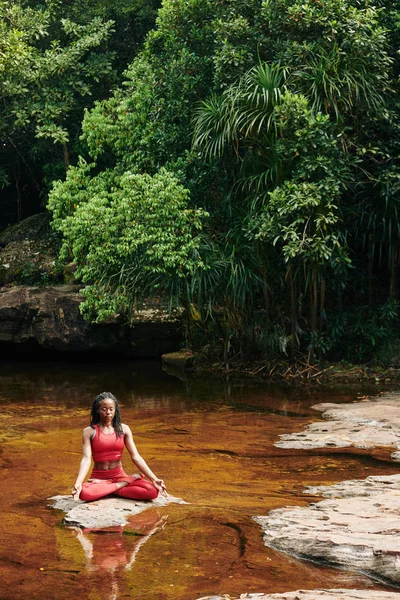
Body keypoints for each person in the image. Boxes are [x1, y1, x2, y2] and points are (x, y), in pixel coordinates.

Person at [72, 391, 167, 502]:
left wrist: (154, 479)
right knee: (83, 492)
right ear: (97, 410)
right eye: (104, 409)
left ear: (115, 410)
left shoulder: (124, 429)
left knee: (152, 491)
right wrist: (78, 482)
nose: (108, 413)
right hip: (99, 477)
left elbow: (136, 456)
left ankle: (109, 489)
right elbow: (86, 459)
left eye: (111, 409)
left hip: (119, 475)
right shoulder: (89, 432)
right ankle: (122, 485)